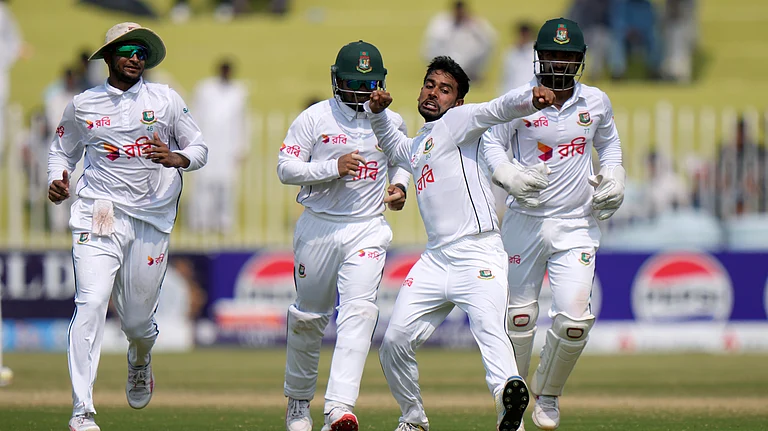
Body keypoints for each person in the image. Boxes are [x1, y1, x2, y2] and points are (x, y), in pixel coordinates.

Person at [366, 56, 556, 431]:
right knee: (393, 344)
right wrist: (376, 114)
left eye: (445, 89)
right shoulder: (420, 143)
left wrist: (530, 99)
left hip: (478, 251)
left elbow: (497, 109)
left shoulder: (458, 123)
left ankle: (509, 412)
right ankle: (413, 418)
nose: (434, 93)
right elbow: (396, 148)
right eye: (430, 85)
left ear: (458, 102)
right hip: (436, 259)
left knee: (490, 331)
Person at [47, 22, 207, 431]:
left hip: (151, 215)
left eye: (142, 51)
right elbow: (60, 150)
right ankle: (82, 411)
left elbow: (200, 147)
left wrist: (177, 158)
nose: (136, 57)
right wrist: (58, 178)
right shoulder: (83, 105)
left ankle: (139, 358)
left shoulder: (166, 100)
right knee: (93, 301)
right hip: (100, 212)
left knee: (136, 322)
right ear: (109, 57)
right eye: (128, 50)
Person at [482, 18, 625, 431]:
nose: (560, 63)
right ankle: (510, 406)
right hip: (524, 221)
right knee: (519, 319)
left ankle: (548, 394)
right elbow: (491, 142)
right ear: (539, 56)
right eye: (553, 54)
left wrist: (615, 178)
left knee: (575, 322)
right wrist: (507, 174)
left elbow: (609, 146)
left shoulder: (595, 101)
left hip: (576, 223)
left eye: (568, 56)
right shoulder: (518, 99)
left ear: (580, 60)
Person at [276, 40, 411, 431]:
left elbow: (404, 159)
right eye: (352, 82)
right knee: (308, 317)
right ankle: (299, 403)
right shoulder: (315, 118)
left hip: (367, 228)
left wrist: (400, 187)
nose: (360, 92)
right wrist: (331, 166)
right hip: (319, 225)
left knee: (359, 313)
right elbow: (285, 168)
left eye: (368, 84)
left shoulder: (391, 120)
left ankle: (339, 408)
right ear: (336, 80)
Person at [188, 59, 249, 234]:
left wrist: (242, 147)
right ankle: (200, 222)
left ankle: (224, 223)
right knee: (203, 184)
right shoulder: (204, 89)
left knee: (227, 185)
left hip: (228, 146)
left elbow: (243, 121)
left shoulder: (239, 91)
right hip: (205, 142)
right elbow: (195, 116)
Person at [422, 1, 497, 83]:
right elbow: (433, 42)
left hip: (467, 57)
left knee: (484, 46)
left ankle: (470, 74)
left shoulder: (474, 22)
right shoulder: (441, 22)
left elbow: (491, 38)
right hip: (446, 55)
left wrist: (474, 26)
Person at [499, 21, 535, 95]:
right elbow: (505, 78)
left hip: (531, 95)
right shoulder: (510, 53)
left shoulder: (536, 54)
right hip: (512, 95)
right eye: (521, 35)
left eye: (525, 35)